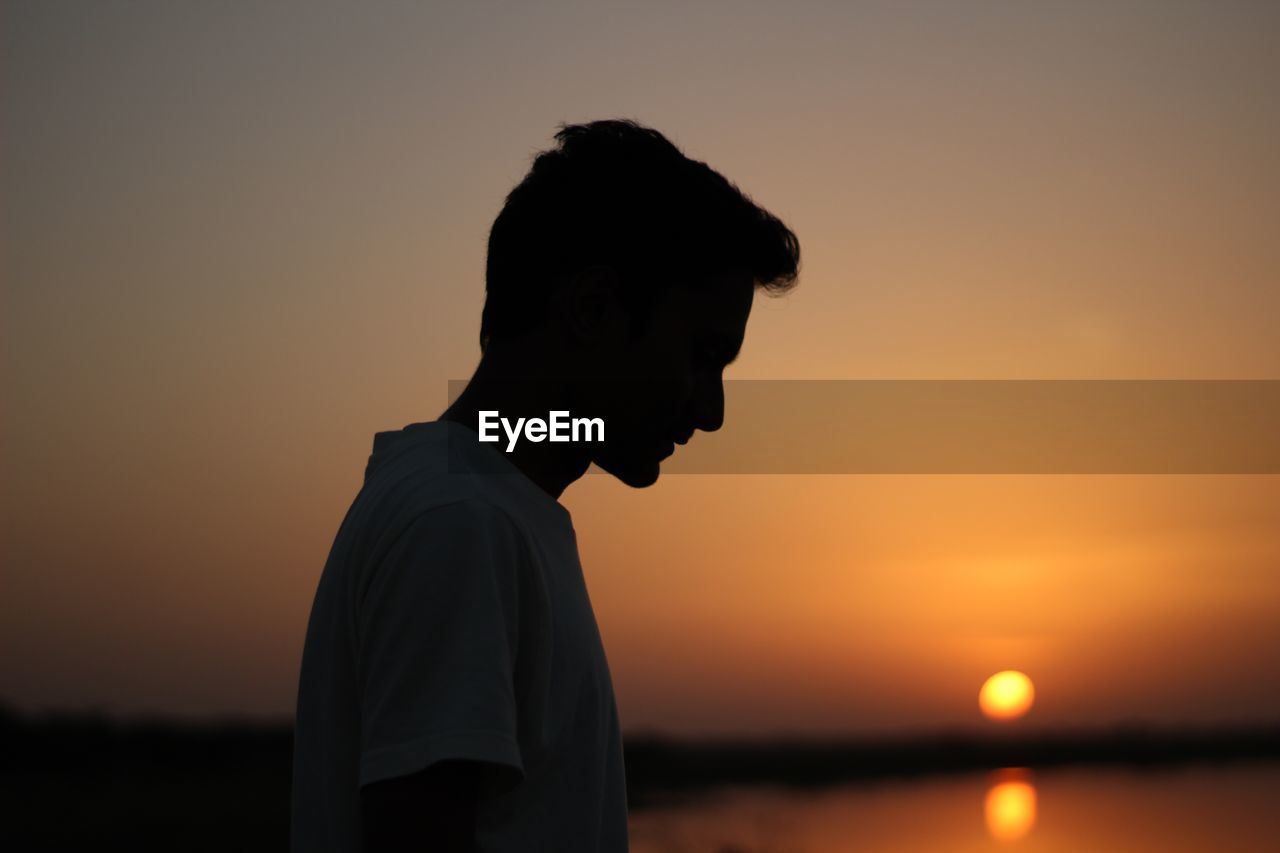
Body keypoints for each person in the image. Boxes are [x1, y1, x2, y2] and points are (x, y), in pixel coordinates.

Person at [291, 118, 800, 852]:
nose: (711, 410)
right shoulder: (461, 522)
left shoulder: (481, 504)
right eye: (702, 355)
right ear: (592, 308)